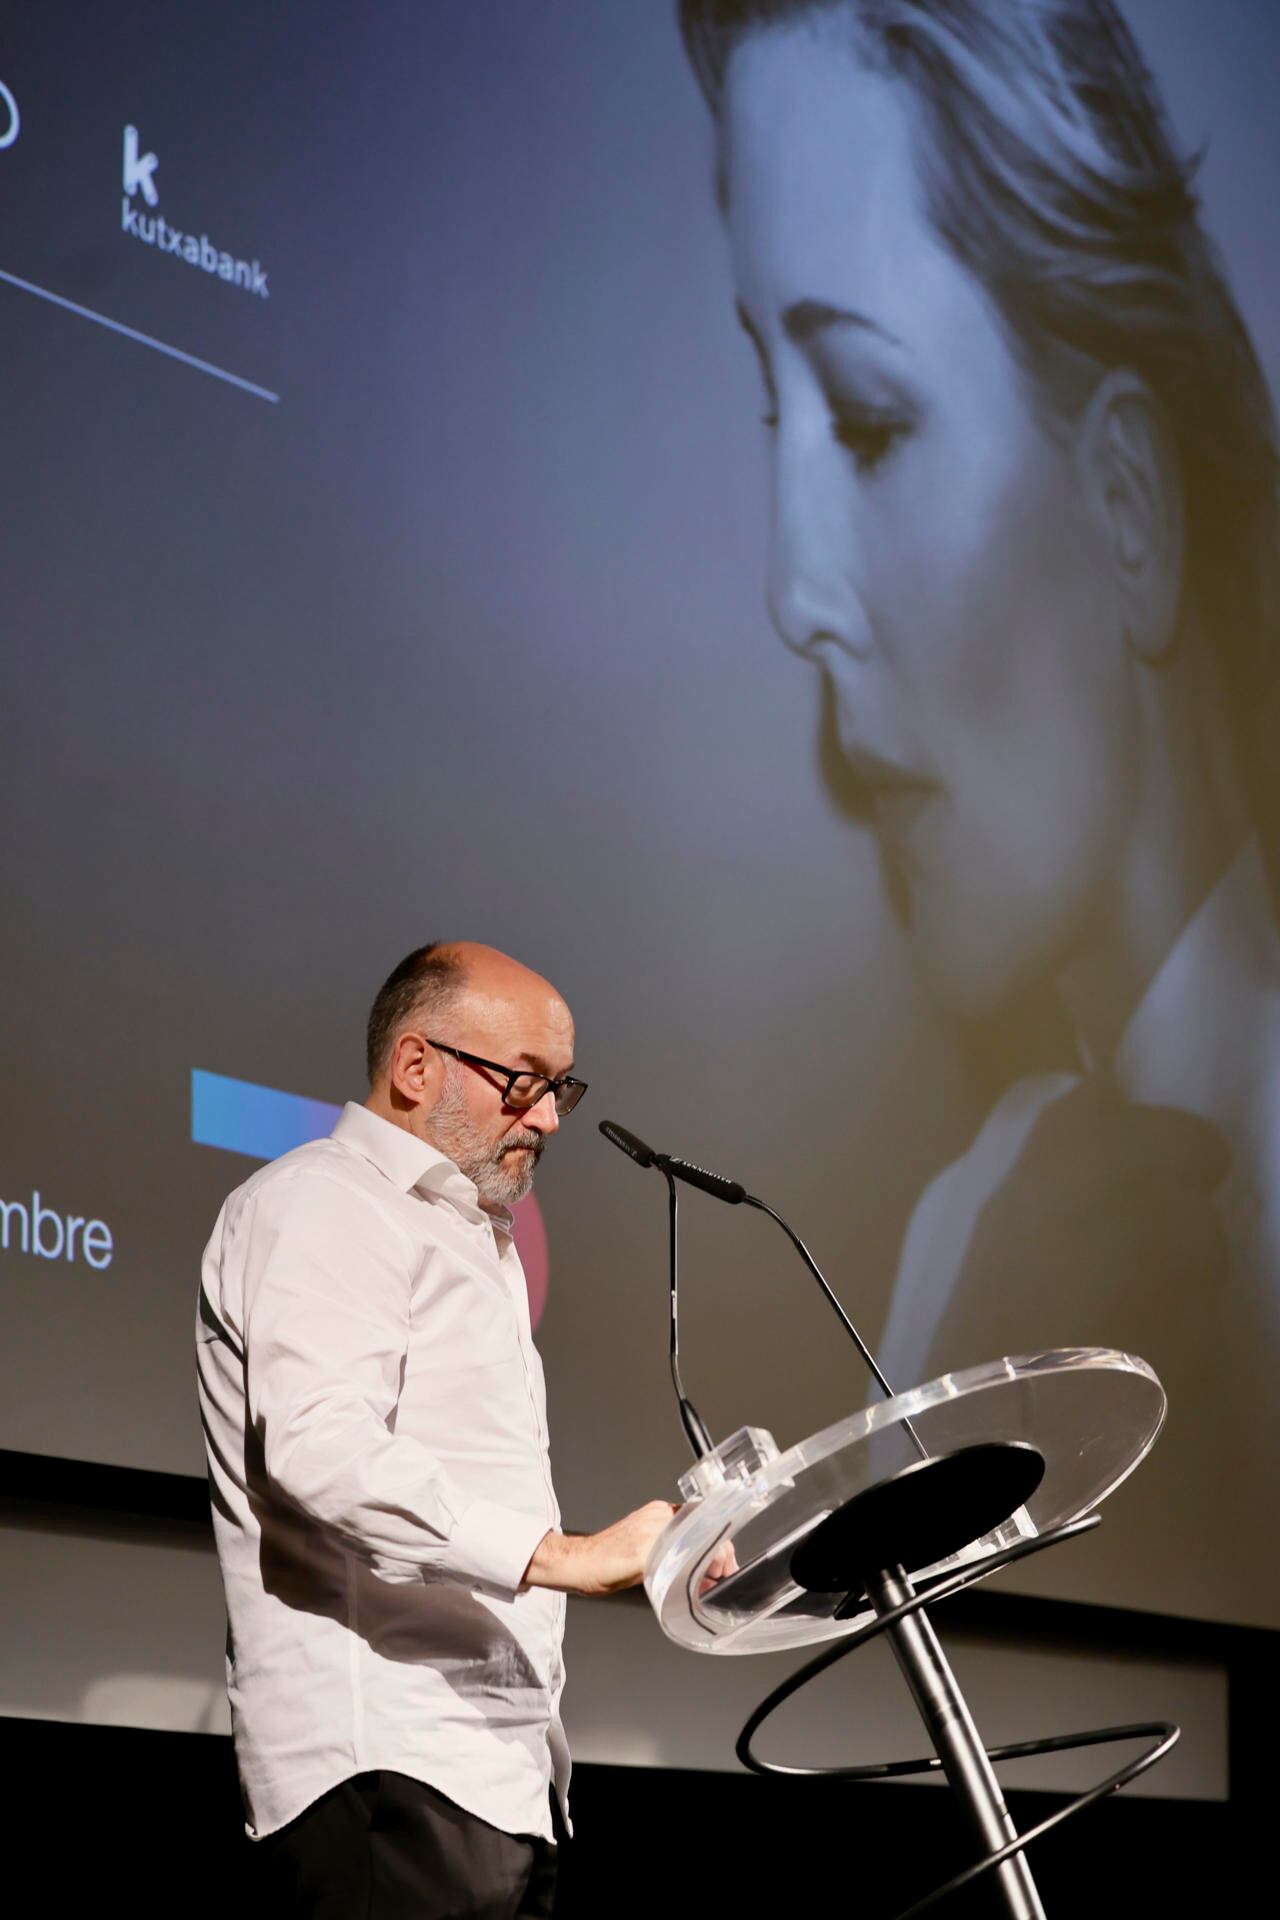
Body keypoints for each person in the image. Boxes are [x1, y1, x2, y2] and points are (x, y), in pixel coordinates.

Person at [678, 0, 1280, 1610]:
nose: (790, 593)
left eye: (868, 419)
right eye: (770, 409)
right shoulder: (960, 1234)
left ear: (1131, 507)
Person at [197, 940, 691, 1918]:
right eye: (522, 1083)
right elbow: (320, 1448)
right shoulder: (325, 1201)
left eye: (561, 1089)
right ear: (415, 1067)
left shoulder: (466, 1236)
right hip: (384, 1760)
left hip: (493, 1770)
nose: (546, 1117)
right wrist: (563, 1555)